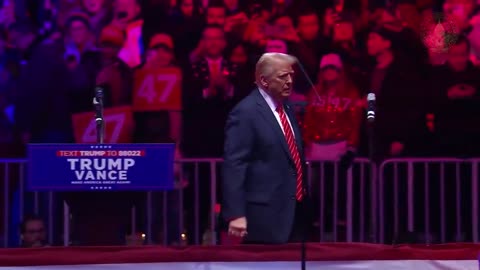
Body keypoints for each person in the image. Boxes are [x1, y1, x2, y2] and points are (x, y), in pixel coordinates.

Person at [222, 52, 309, 244]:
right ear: (264, 80)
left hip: (293, 210)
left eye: (291, 76)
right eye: (282, 76)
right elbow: (235, 164)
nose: (289, 81)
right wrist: (235, 213)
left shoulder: (286, 107)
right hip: (262, 213)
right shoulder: (246, 112)